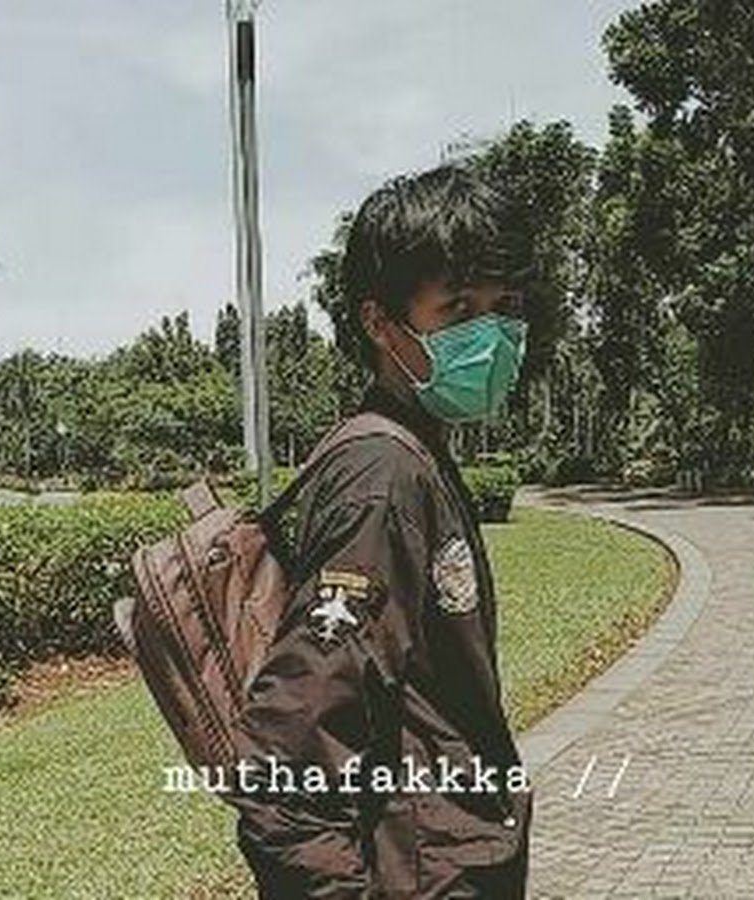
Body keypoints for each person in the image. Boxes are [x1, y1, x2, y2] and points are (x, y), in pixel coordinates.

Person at [228, 164, 533, 898]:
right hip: (418, 869)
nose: (489, 335)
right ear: (378, 322)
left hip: (443, 852)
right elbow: (287, 760)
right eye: (457, 308)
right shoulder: (382, 472)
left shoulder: (413, 450)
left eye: (502, 307)